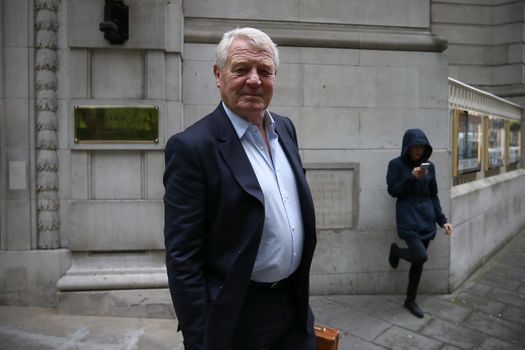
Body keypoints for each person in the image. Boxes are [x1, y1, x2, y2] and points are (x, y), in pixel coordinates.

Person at [163, 27, 317, 350]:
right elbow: (182, 259)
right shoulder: (192, 148)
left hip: (293, 306)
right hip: (237, 318)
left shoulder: (285, 130)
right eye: (241, 68)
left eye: (264, 70)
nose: (254, 80)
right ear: (218, 75)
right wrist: (201, 340)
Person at [386, 128, 453, 318]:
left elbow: (433, 194)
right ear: (407, 147)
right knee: (421, 256)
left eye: (421, 148)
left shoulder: (429, 166)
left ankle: (410, 300)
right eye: (415, 147)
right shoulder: (396, 165)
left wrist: (442, 221)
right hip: (408, 218)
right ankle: (396, 251)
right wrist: (411, 177)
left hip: (426, 219)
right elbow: (393, 190)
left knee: (418, 263)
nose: (418, 151)